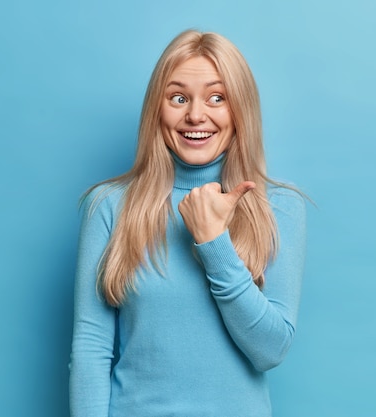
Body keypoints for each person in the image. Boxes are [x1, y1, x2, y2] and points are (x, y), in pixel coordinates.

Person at [69, 29, 306, 417]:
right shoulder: (109, 206)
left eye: (217, 98)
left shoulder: (279, 208)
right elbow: (91, 347)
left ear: (240, 109)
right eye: (178, 98)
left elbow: (270, 350)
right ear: (156, 110)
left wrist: (214, 243)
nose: (196, 115)